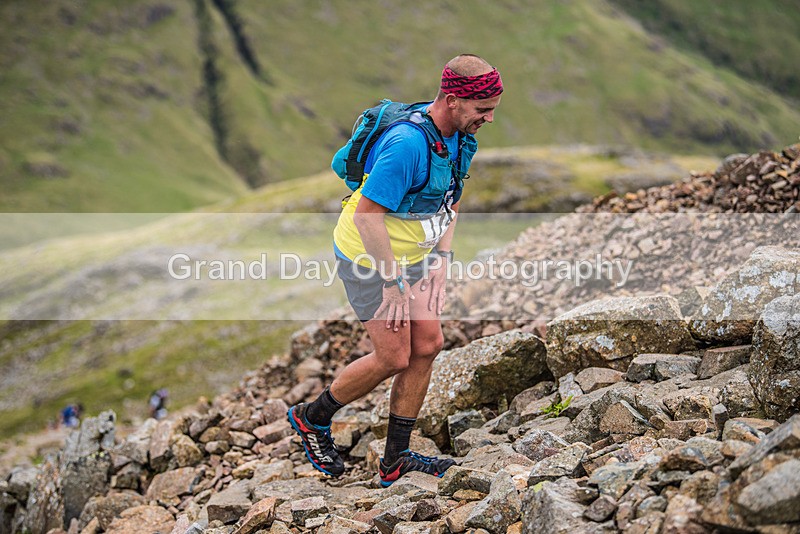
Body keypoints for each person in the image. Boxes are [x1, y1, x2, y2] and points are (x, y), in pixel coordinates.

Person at [288, 54, 502, 486]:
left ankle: (395, 460)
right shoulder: (407, 145)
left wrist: (441, 258)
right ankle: (312, 418)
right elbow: (367, 216)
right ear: (453, 99)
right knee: (393, 355)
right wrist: (392, 281)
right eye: (483, 110)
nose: (490, 119)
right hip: (369, 256)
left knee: (428, 344)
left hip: (416, 255)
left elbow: (450, 198)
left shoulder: (460, 136)